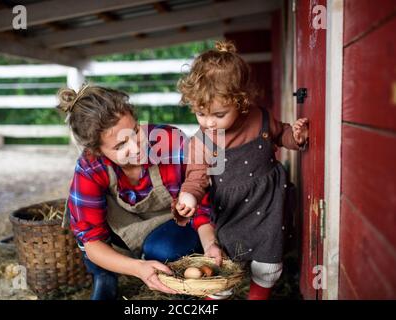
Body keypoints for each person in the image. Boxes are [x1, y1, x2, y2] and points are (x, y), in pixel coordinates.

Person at [57, 85, 223, 300]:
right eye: (120, 146)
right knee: (78, 213)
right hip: (119, 230)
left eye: (135, 131)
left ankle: (160, 263)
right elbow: (92, 241)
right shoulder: (90, 167)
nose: (136, 148)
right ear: (97, 151)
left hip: (167, 223)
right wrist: (138, 268)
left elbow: (201, 202)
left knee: (166, 250)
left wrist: (211, 243)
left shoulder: (170, 141)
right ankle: (104, 275)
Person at [174, 41, 309, 300]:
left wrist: (297, 136)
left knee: (268, 266)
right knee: (222, 267)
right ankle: (213, 298)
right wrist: (188, 197)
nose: (209, 122)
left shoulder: (261, 118)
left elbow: (283, 136)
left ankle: (258, 296)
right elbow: (195, 178)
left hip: (269, 204)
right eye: (200, 114)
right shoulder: (201, 143)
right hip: (231, 210)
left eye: (218, 114)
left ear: (241, 101)